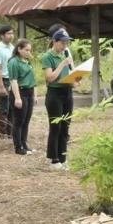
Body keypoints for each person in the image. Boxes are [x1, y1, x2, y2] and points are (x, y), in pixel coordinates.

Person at [42, 29, 75, 169]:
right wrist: (62, 63)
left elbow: (71, 73)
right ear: (55, 42)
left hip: (67, 92)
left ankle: (63, 158)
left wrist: (76, 79)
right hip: (54, 94)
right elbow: (49, 78)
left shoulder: (66, 54)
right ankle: (54, 159)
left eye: (67, 42)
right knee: (56, 126)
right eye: (62, 42)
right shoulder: (47, 56)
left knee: (65, 127)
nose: (65, 45)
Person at [7, 39, 37, 155]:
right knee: (19, 121)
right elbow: (13, 80)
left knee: (26, 120)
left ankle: (24, 144)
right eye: (26, 50)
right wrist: (17, 98)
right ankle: (18, 147)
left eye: (30, 50)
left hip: (29, 92)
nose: (28, 52)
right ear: (19, 49)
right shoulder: (14, 62)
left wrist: (34, 94)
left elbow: (32, 79)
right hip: (20, 92)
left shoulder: (27, 61)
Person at [0, 25, 16, 138]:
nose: (11, 36)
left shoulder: (13, 48)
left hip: (13, 80)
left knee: (12, 106)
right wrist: (1, 86)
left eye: (12, 33)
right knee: (4, 107)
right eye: (9, 34)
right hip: (4, 80)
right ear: (2, 35)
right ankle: (2, 131)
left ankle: (10, 131)